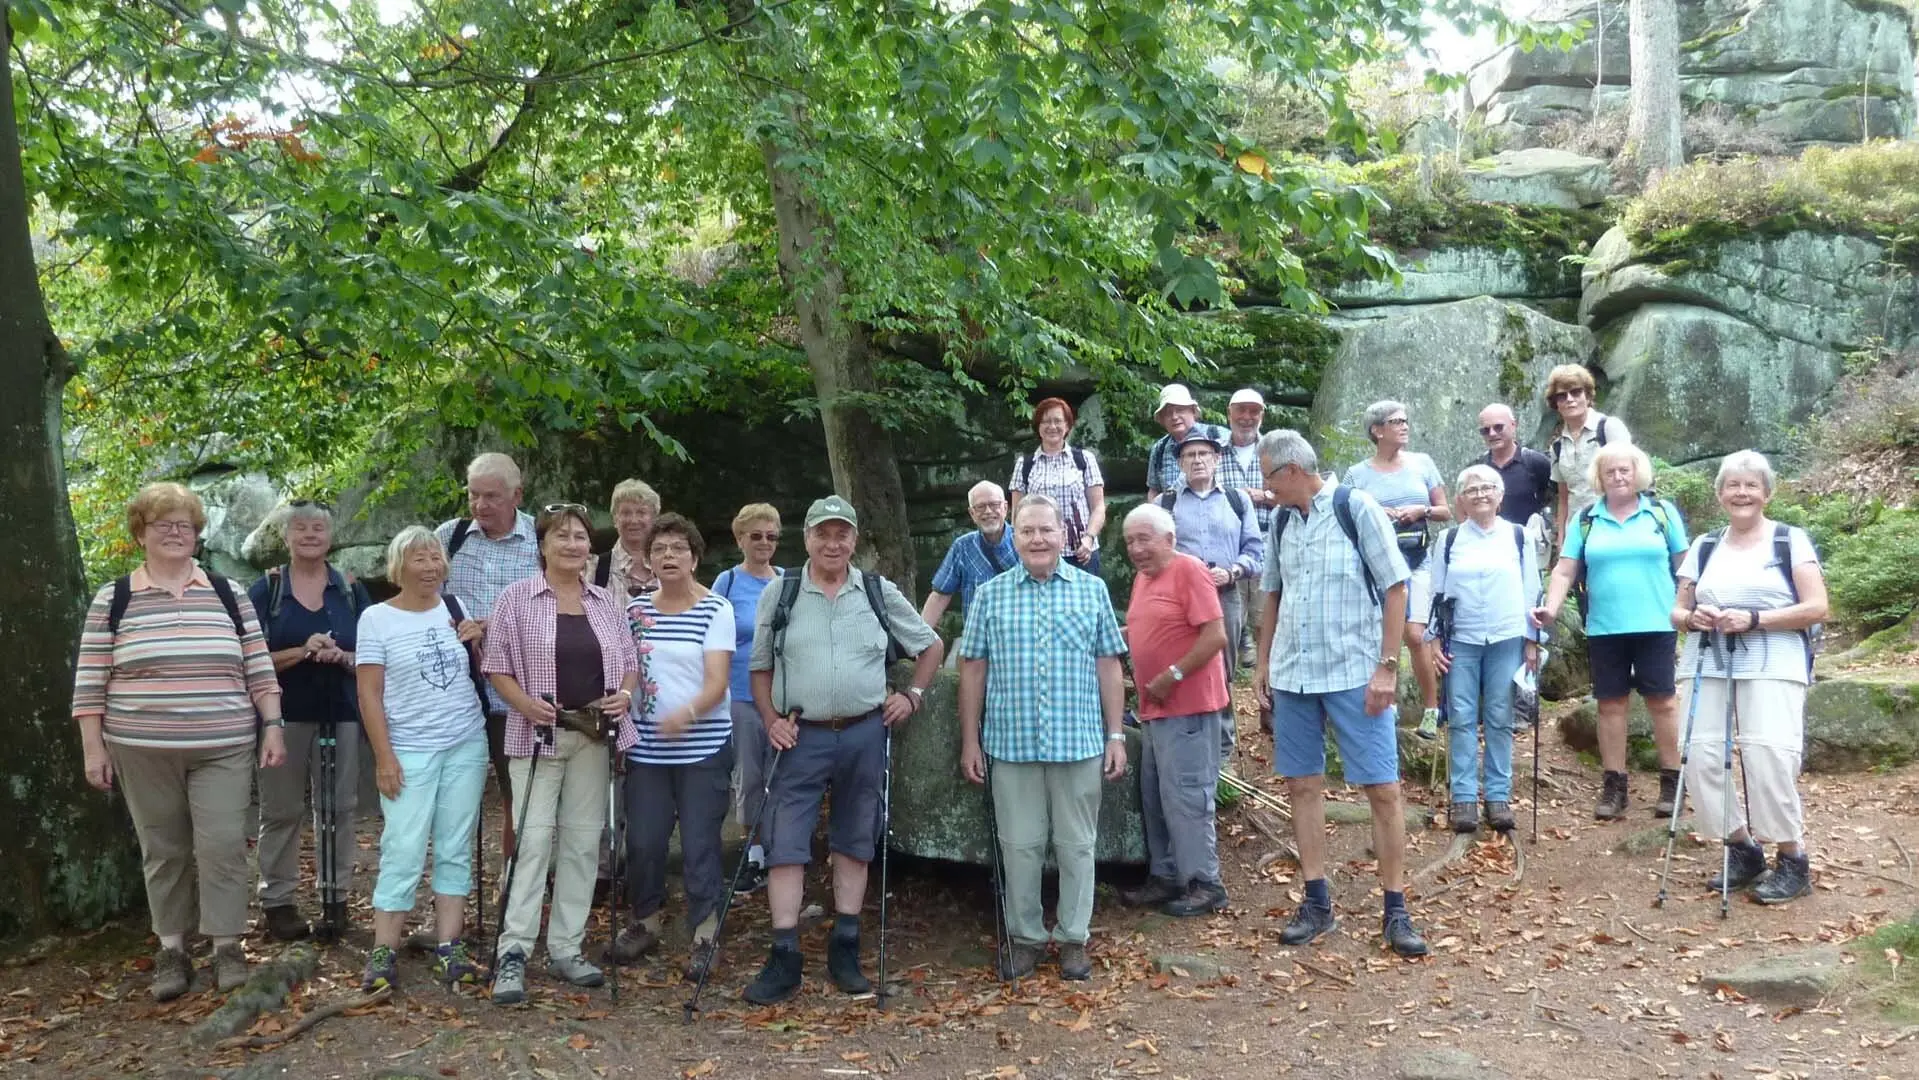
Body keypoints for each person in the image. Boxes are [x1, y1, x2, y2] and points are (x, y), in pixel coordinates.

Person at [72, 482, 286, 1001]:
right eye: (161, 523)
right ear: (140, 533)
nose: (174, 532)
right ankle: (172, 950)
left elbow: (258, 664)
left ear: (197, 533)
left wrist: (273, 723)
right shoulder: (115, 597)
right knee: (163, 849)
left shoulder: (228, 593)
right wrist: (93, 749)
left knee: (222, 846)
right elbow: (89, 681)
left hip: (224, 743)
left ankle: (227, 947)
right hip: (140, 748)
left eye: (184, 524)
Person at [742, 495, 944, 1005]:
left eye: (842, 534)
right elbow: (760, 666)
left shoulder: (876, 590)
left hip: (863, 730)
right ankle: (784, 956)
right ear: (806, 538)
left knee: (855, 835)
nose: (832, 543)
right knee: (785, 837)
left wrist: (913, 695)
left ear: (854, 540)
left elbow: (930, 645)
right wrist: (769, 719)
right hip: (799, 733)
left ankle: (846, 947)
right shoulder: (782, 592)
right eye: (822, 533)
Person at [1251, 431, 1428, 958]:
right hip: (1294, 676)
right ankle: (1317, 901)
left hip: (1355, 673)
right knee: (1302, 786)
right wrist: (1262, 662)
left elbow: (1396, 587)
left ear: (1292, 471)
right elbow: (1273, 594)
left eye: (1267, 478)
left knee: (1383, 790)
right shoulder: (1282, 520)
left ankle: (1396, 910)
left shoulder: (1357, 508)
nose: (1264, 489)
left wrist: (1387, 668)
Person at [957, 495, 1128, 980]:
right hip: (1011, 745)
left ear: (1063, 535)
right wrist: (970, 740)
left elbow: (1109, 665)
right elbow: (972, 669)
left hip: (1079, 742)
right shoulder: (990, 595)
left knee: (1077, 845)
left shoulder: (1091, 590)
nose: (1037, 539)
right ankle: (1027, 938)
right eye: (1027, 531)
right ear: (1015, 537)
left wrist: (1116, 734)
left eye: (1045, 530)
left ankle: (1074, 938)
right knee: (1020, 845)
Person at [482, 505, 641, 1004]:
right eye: (561, 537)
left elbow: (630, 663)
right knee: (531, 845)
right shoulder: (517, 598)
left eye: (579, 537)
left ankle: (566, 948)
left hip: (592, 737)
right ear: (542, 545)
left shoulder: (603, 603)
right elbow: (496, 665)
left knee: (579, 845)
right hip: (536, 736)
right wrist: (525, 703)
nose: (572, 545)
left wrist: (626, 695)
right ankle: (514, 952)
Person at [1670, 451, 1828, 904]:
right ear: (1720, 494)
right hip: (1707, 658)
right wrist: (1692, 617)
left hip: (1774, 659)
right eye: (1732, 485)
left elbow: (1817, 606)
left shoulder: (1788, 540)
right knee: (1698, 754)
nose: (1741, 493)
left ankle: (1792, 858)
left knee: (1769, 755)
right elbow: (1676, 609)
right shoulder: (1704, 545)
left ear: (1767, 493)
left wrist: (1755, 618)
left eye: (1750, 485)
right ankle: (1741, 847)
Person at [355, 526, 491, 992]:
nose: (431, 566)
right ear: (398, 567)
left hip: (465, 742)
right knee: (404, 847)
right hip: (409, 748)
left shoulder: (455, 608)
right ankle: (383, 950)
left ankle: (449, 947)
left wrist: (479, 638)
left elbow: (474, 671)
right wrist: (383, 757)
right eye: (419, 559)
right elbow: (369, 695)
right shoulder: (376, 619)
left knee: (454, 846)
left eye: (436, 558)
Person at [608, 514, 737, 982]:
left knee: (702, 844)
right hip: (646, 749)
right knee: (643, 841)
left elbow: (718, 681)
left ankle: (705, 933)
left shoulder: (716, 609)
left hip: (703, 747)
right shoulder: (635, 612)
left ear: (695, 557)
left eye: (678, 548)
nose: (668, 556)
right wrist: (622, 700)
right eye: (659, 548)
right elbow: (626, 670)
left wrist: (685, 715)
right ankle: (645, 922)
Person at [1533, 442, 1688, 820]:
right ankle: (1614, 784)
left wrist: (1683, 606)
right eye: (1610, 472)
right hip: (1605, 626)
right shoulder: (1586, 520)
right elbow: (1565, 569)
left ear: (1638, 473)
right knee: (1610, 705)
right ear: (1599, 478)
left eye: (1625, 470)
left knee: (1663, 701)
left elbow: (1686, 564)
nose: (1618, 477)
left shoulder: (1661, 514)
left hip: (1657, 622)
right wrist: (1551, 607)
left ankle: (1673, 782)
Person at [250, 500, 373, 942]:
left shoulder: (350, 589)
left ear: (330, 536)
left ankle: (335, 897)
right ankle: (278, 902)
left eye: (318, 527)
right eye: (299, 527)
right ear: (285, 537)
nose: (309, 534)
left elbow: (375, 655)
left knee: (338, 809)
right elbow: (248, 657)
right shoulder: (267, 590)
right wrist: (302, 650)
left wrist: (344, 657)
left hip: (340, 712)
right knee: (281, 810)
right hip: (279, 718)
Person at [1115, 503, 1233, 917]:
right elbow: (1148, 627)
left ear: (1169, 538)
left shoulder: (1189, 570)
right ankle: (1167, 876)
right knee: (1155, 796)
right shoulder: (1143, 579)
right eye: (1130, 541)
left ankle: (1205, 883)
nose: (1136, 548)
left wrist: (1173, 675)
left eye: (1143, 539)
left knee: (1187, 796)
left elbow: (1215, 635)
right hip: (1153, 710)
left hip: (1188, 705)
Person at [435, 452, 541, 854]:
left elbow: (557, 605)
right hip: (458, 692)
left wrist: (496, 624)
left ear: (517, 495)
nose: (480, 506)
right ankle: (456, 883)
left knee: (518, 790)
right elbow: (421, 591)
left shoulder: (541, 539)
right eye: (473, 495)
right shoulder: (451, 536)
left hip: (517, 692)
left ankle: (514, 879)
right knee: (455, 793)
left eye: (491, 497)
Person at [1427, 466, 1542, 834]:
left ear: (1500, 495)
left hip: (1507, 636)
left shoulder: (1518, 537)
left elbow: (1531, 590)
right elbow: (1435, 594)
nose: (1480, 494)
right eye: (1471, 489)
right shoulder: (1447, 541)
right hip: (1460, 638)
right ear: (1460, 499)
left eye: (1488, 487)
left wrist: (1532, 641)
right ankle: (1462, 796)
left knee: (1499, 715)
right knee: (1459, 715)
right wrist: (1432, 641)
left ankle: (1498, 795)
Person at [1344, 400, 1451, 741]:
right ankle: (1384, 708)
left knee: (1416, 634)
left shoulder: (1422, 464)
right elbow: (1348, 519)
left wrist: (1420, 509)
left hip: (1417, 557)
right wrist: (1379, 515)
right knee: (1379, 636)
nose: (1404, 426)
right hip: (1377, 564)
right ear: (1377, 430)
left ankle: (1432, 710)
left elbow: (1445, 510)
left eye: (1405, 420)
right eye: (1395, 421)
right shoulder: (1357, 474)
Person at [711, 503, 784, 893]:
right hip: (739, 694)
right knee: (750, 776)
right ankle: (754, 855)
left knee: (784, 776)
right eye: (756, 535)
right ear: (740, 538)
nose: (764, 543)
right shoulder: (727, 582)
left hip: (784, 697)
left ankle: (782, 851)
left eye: (771, 536)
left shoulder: (788, 580)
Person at [1158, 427, 1261, 693]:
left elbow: (1254, 550)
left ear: (1217, 459)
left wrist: (1233, 572)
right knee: (1183, 664)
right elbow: (1154, 555)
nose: (1197, 460)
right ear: (1180, 463)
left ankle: (1224, 732)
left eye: (1204, 453)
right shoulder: (1164, 504)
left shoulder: (1238, 500)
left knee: (1224, 669)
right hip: (1181, 600)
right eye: (1189, 455)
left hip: (1226, 594)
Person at [1008, 397, 1107, 573]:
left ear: (1068, 425)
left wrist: (1089, 539)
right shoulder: (1024, 465)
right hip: (1039, 552)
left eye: (1057, 421)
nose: (1052, 426)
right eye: (1045, 421)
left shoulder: (1084, 459)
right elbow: (1017, 514)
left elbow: (1098, 507)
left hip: (1080, 553)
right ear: (1038, 427)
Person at [1217, 388, 1277, 669]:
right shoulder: (1214, 451)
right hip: (1227, 551)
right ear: (1229, 413)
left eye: (1254, 411)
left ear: (1262, 415)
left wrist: (1262, 496)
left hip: (1270, 549)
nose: (1246, 417)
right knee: (1228, 627)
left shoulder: (1275, 450)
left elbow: (1296, 495)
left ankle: (1270, 700)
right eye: (1241, 410)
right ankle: (1224, 703)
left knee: (1267, 624)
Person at [1545, 364, 1633, 546]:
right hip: (1578, 533)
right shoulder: (1558, 447)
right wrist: (1563, 541)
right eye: (1561, 396)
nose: (1569, 399)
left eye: (1576, 392)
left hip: (1614, 527)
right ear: (1556, 404)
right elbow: (1564, 497)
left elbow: (1632, 479)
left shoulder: (1609, 428)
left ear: (1588, 395)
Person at [919, 482, 1016, 632]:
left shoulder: (1024, 542)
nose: (988, 511)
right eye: (980, 507)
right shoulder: (962, 547)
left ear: (1005, 507)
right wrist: (919, 637)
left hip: (1019, 637)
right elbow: (939, 595)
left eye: (994, 504)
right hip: (978, 639)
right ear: (972, 514)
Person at [1144, 383, 1229, 504]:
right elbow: (1154, 490)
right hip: (1174, 520)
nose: (1174, 417)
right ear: (1162, 420)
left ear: (1193, 412)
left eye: (1179, 410)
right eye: (1168, 413)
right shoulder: (1159, 449)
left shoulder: (1220, 436)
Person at [1478, 403, 1553, 529]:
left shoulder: (1535, 462)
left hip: (1527, 543)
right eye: (1485, 430)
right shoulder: (1478, 469)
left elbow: (1559, 496)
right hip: (1488, 543)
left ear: (1514, 425)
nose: (1492, 433)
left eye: (1498, 427)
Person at [591, 478, 662, 599]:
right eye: (626, 513)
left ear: (654, 518)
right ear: (615, 519)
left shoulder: (669, 564)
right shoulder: (594, 569)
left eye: (641, 512)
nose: (633, 520)